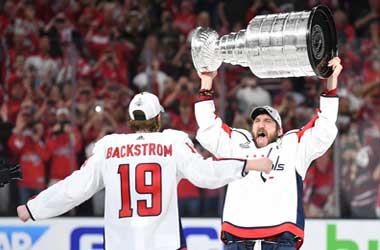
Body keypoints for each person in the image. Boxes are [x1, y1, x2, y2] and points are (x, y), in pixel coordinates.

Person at [17, 92, 273, 250]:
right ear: (158, 119)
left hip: (120, 245)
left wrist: (33, 208)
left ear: (130, 121)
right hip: (165, 244)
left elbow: (74, 188)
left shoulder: (108, 147)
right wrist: (246, 165)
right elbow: (204, 174)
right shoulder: (172, 142)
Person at [195, 57, 343, 249]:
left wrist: (330, 86)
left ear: (280, 130)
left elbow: (324, 128)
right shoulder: (237, 144)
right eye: (257, 121)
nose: (261, 124)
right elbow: (208, 128)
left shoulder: (293, 145)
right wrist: (206, 84)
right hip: (238, 240)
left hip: (280, 240)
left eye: (268, 121)